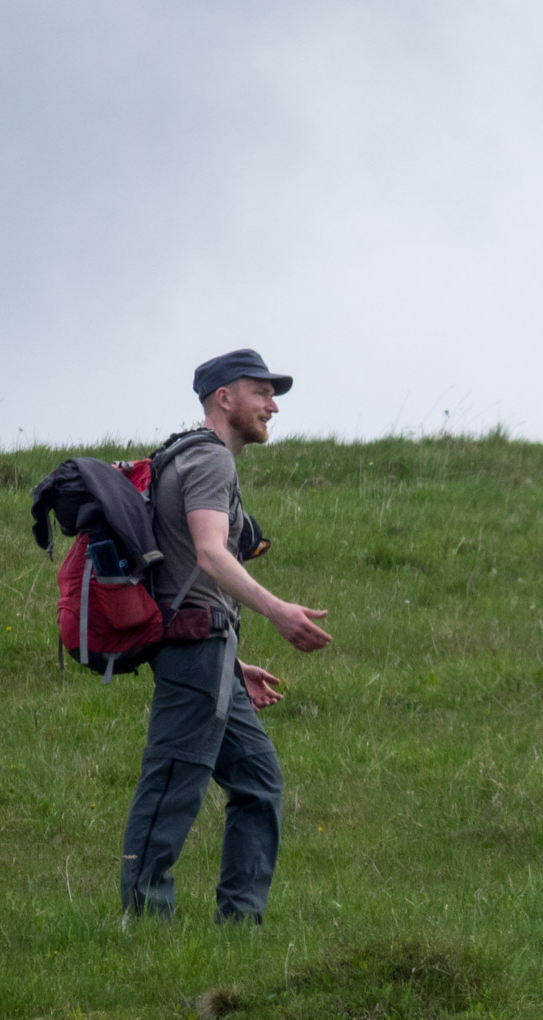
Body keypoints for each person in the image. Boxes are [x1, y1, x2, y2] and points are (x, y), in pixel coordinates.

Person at [118, 349, 332, 923]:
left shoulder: (181, 454)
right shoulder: (211, 460)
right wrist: (278, 611)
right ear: (224, 398)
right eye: (261, 392)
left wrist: (235, 660)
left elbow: (183, 566)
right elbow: (210, 554)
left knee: (258, 782)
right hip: (194, 654)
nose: (273, 405)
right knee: (171, 785)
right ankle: (142, 925)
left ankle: (240, 930)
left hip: (211, 653)